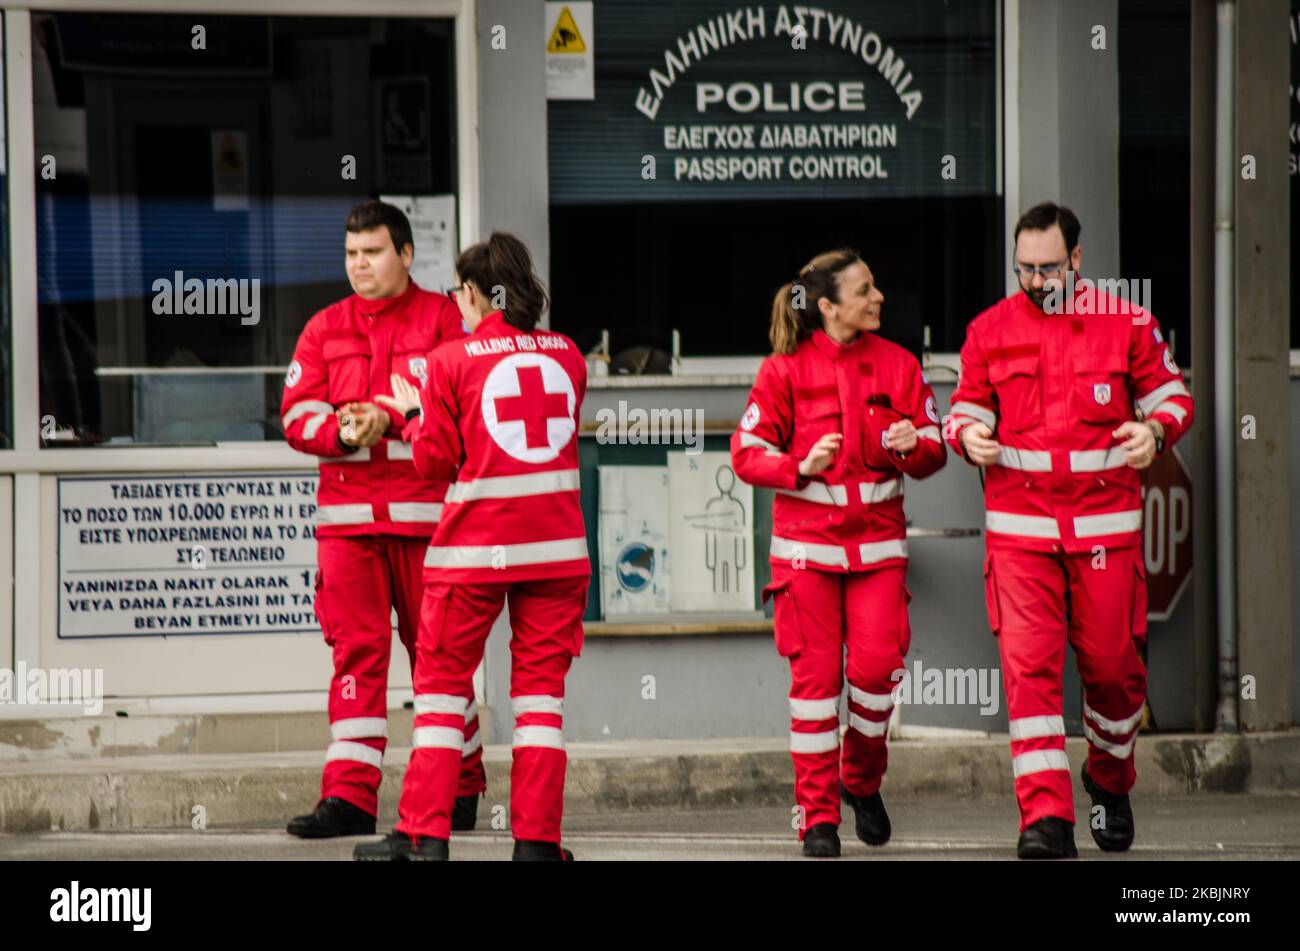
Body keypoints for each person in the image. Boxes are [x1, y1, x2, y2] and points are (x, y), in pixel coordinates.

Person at [943, 202, 1194, 859]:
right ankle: (1045, 818)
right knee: (1030, 674)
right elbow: (963, 407)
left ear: (1076, 261)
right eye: (1023, 268)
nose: (1034, 280)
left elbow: (1171, 393)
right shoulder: (989, 330)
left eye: (1047, 268)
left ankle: (1109, 781)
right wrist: (969, 434)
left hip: (1105, 534)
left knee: (1114, 673)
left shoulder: (1126, 323)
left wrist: (1155, 429)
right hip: (1021, 535)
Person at [354, 232, 590, 861]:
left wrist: (411, 415)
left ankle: (422, 836)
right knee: (540, 699)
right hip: (557, 551)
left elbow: (438, 462)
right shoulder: (568, 355)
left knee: (439, 691)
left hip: (473, 554)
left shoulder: (450, 361)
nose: (456, 305)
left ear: (479, 295)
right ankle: (538, 843)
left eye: (461, 293)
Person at [731, 248, 946, 858]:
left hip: (878, 551)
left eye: (875, 286)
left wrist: (911, 444)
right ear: (826, 306)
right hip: (805, 558)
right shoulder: (782, 372)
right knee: (814, 689)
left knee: (877, 675)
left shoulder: (899, 364)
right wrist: (800, 466)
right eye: (864, 290)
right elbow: (745, 453)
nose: (878, 297)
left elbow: (936, 448)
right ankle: (816, 820)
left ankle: (861, 781)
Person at [281, 200, 485, 838]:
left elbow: (468, 405)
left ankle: (460, 783)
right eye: (351, 254)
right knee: (355, 657)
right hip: (348, 526)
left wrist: (393, 418)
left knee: (437, 659)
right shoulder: (323, 328)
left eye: (372, 252)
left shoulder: (448, 320)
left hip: (429, 523)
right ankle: (349, 797)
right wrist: (345, 429)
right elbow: (293, 416)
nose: (360, 265)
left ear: (404, 254)